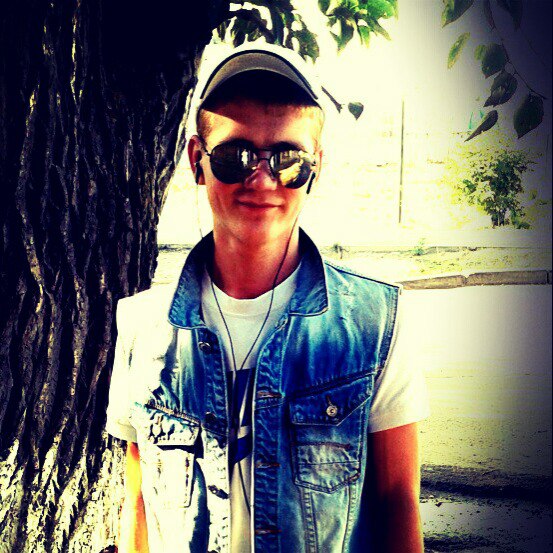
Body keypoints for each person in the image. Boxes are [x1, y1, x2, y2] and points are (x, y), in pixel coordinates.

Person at [106, 43, 429, 553]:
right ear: (196, 160)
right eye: (234, 157)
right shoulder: (141, 327)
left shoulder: (377, 322)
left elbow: (397, 504)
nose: (262, 178)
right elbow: (139, 503)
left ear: (316, 167)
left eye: (287, 158)